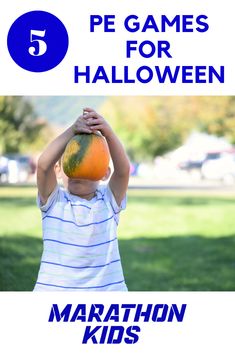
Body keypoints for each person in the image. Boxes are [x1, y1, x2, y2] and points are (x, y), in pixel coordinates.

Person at [34, 108, 130, 291]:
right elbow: (43, 165)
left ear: (105, 173)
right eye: (72, 161)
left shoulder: (108, 201)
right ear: (58, 170)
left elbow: (123, 170)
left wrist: (107, 132)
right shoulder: (54, 202)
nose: (80, 168)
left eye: (90, 161)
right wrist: (73, 130)